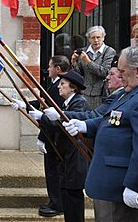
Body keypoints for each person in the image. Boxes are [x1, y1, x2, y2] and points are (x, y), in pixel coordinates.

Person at [64, 47, 138, 221]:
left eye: (122, 72)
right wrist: (85, 125)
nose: (119, 76)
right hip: (110, 182)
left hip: (122, 185)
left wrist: (134, 184)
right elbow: (109, 119)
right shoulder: (127, 92)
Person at [29, 70, 90, 222]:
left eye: (63, 84)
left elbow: (62, 124)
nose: (59, 87)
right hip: (65, 155)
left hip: (75, 156)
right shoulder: (67, 102)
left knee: (73, 195)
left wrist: (43, 117)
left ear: (73, 88)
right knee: (66, 194)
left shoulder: (79, 102)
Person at [12, 55, 69, 217]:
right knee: (51, 170)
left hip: (54, 137)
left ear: (58, 68)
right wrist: (26, 105)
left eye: (50, 66)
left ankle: (58, 203)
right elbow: (43, 102)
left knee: (54, 171)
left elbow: (51, 112)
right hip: (49, 134)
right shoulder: (53, 84)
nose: (48, 69)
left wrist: (42, 137)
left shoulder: (62, 86)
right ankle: (54, 201)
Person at [71, 26, 116, 109]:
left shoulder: (109, 51)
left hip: (101, 93)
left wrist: (89, 62)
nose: (96, 40)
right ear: (89, 39)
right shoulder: (84, 51)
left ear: (103, 37)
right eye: (93, 38)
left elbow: (105, 72)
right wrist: (74, 62)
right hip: (85, 92)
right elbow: (79, 74)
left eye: (98, 37)